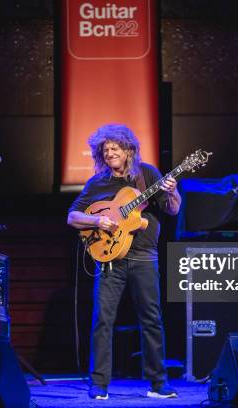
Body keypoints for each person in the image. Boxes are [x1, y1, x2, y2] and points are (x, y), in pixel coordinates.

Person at [67, 124, 181, 400]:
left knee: (151, 320)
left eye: (114, 148)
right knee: (102, 321)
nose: (109, 154)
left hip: (144, 258)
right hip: (109, 261)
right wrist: (97, 220)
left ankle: (158, 383)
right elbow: (72, 216)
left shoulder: (147, 175)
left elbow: (173, 209)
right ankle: (99, 384)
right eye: (104, 150)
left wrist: (173, 190)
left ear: (129, 149)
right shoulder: (98, 183)